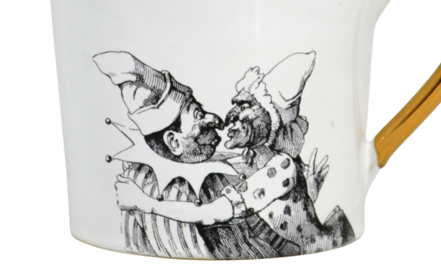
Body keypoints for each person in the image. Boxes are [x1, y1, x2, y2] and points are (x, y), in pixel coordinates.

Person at [115, 52, 355, 256]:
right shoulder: (243, 162)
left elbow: (212, 214)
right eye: (198, 114)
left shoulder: (280, 166)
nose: (222, 121)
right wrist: (306, 194)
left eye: (243, 113)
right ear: (173, 142)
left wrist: (145, 203)